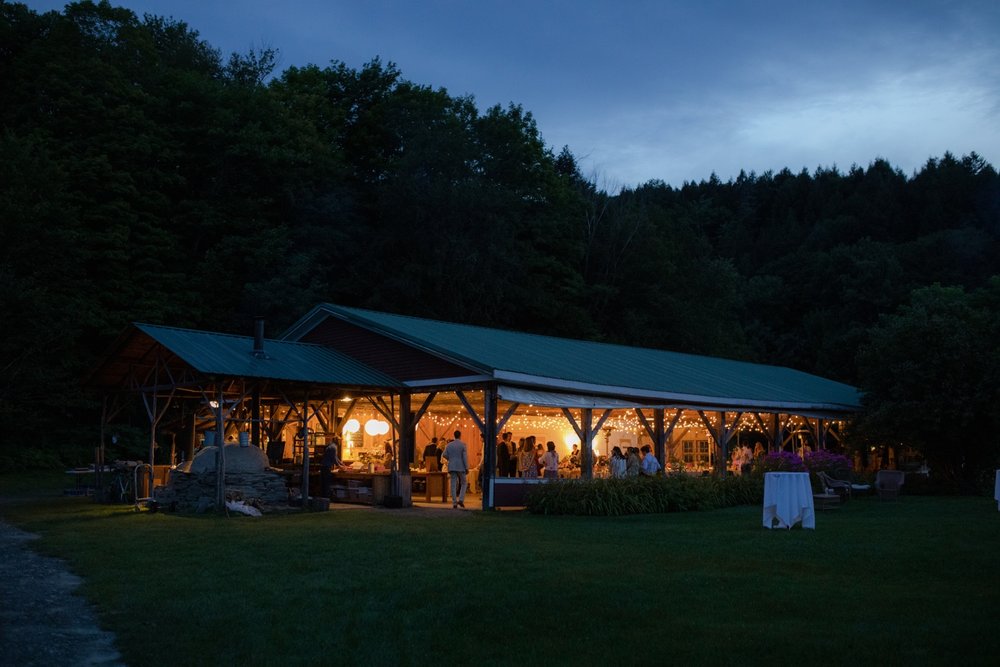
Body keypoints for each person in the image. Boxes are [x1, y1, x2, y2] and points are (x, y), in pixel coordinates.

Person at [441, 430, 469, 508]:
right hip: (461, 466)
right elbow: (464, 457)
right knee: (464, 482)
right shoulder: (463, 445)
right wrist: (466, 467)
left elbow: (444, 455)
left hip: (452, 466)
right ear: (460, 435)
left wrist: (450, 459)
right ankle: (461, 499)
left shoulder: (449, 445)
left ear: (454, 435)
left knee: (453, 484)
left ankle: (454, 502)